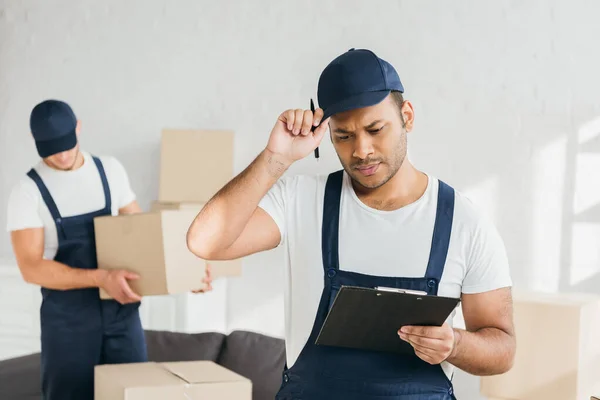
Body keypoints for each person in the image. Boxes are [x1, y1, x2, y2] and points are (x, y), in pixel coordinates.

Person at [186, 48, 516, 399]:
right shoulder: (301, 200)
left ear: (407, 116)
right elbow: (205, 242)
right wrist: (276, 158)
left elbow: (503, 348)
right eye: (343, 136)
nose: (361, 150)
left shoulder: (465, 223)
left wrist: (456, 344)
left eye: (376, 130)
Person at [7, 99, 212, 400]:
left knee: (134, 393)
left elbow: (145, 239)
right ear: (35, 142)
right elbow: (31, 267)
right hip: (67, 322)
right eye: (52, 149)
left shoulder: (109, 171)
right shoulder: (27, 192)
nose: (62, 155)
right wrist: (101, 278)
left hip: (121, 313)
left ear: (78, 127)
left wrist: (187, 273)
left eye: (67, 144)